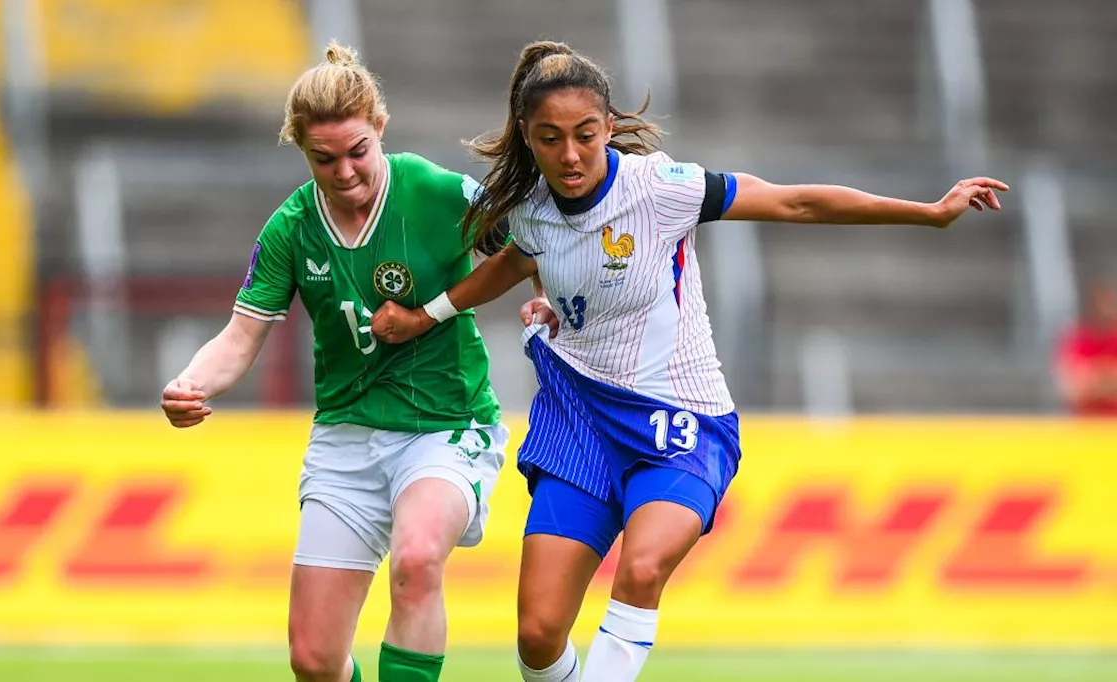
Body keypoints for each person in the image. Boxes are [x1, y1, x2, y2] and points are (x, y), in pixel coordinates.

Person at [370, 40, 1008, 682]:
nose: (570, 154)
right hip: (578, 422)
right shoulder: (531, 212)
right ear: (528, 138)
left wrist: (927, 214)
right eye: (550, 138)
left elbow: (793, 201)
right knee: (537, 636)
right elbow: (515, 263)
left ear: (609, 126)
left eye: (586, 135)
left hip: (679, 420)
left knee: (642, 570)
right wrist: (430, 314)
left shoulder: (662, 188)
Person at [160, 43, 514, 682]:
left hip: (446, 426)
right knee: (314, 660)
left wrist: (541, 304)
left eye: (358, 152)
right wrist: (190, 383)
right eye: (325, 159)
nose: (346, 171)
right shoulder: (289, 229)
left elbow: (530, 243)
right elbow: (240, 338)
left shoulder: (437, 192)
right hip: (346, 438)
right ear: (301, 149)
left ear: (380, 128)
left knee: (416, 558)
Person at [1055, 279, 1117, 416]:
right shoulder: (1075, 339)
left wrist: (1094, 378)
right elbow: (1072, 388)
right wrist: (1107, 378)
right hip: (1084, 426)